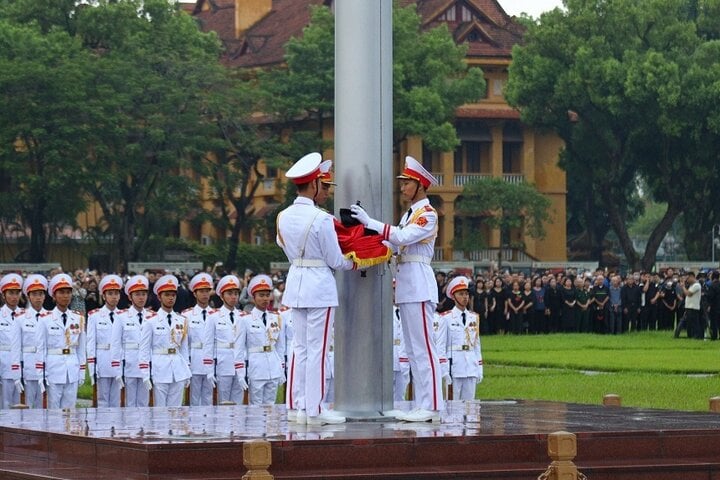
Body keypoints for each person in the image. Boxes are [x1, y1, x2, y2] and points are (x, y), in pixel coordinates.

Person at [351, 155, 443, 422]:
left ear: (420, 186)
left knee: (424, 348)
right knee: (414, 349)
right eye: (402, 183)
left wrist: (371, 222)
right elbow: (391, 244)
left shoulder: (427, 214)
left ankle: (433, 406)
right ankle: (423, 403)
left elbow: (402, 237)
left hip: (419, 284)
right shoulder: (408, 214)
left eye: (407, 183)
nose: (402, 187)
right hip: (407, 285)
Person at [278, 152, 355, 425]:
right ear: (313, 185)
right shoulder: (321, 219)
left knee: (299, 348)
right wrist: (356, 262)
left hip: (296, 281)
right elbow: (335, 260)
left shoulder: (282, 216)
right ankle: (315, 409)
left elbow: (282, 245)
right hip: (319, 285)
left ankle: (297, 406)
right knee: (318, 350)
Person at [138, 275, 191, 407]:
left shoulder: (182, 320)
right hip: (159, 367)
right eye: (167, 295)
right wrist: (145, 374)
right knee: (160, 410)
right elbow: (144, 348)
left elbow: (184, 348)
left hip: (177, 369)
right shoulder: (150, 321)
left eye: (173, 294)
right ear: (159, 297)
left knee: (176, 410)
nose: (171, 298)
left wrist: (187, 371)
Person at [37, 273, 86, 409]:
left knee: (69, 409)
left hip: (72, 367)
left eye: (68, 292)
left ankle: (67, 431)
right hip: (53, 368)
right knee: (53, 409)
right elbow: (41, 348)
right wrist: (41, 374)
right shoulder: (45, 319)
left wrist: (81, 370)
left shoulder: (78, 318)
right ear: (54, 296)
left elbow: (81, 348)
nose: (65, 296)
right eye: (61, 292)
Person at [111, 275, 156, 407]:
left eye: (143, 294)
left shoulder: (153, 316)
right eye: (137, 294)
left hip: (146, 363)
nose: (141, 298)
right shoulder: (121, 317)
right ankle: (130, 428)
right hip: (129, 363)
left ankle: (143, 427)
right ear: (130, 297)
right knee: (129, 402)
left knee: (144, 402)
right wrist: (117, 369)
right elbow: (115, 344)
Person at [203, 275, 248, 405]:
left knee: (238, 401)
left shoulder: (244, 316)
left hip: (240, 362)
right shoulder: (214, 317)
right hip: (223, 363)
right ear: (222, 296)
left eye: (236, 293)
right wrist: (209, 369)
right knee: (223, 401)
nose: (233, 297)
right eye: (229, 293)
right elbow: (208, 344)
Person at [242, 274, 285, 405]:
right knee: (256, 407)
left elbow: (280, 347)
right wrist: (240, 372)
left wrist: (281, 368)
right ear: (253, 298)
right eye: (261, 295)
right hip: (256, 367)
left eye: (267, 295)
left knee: (270, 405)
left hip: (272, 366)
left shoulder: (276, 318)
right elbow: (240, 348)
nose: (265, 299)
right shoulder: (245, 320)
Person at [87, 274, 124, 407]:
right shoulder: (94, 316)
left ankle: (115, 426)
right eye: (110, 293)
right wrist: (92, 367)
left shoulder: (124, 316)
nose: (114, 297)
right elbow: (90, 342)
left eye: (116, 293)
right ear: (104, 296)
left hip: (118, 360)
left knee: (117, 399)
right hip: (103, 359)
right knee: (102, 399)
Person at [443, 277, 483, 401]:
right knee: (452, 406)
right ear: (454, 297)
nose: (465, 297)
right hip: (454, 366)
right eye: (461, 294)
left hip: (470, 366)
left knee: (470, 406)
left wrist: (479, 367)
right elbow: (441, 346)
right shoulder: (446, 318)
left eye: (466, 294)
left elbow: (476, 345)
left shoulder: (473, 317)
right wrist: (444, 369)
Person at [184, 272, 215, 406]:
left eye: (207, 291)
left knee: (208, 397)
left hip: (211, 359)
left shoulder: (216, 314)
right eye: (201, 291)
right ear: (195, 294)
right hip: (194, 358)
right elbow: (185, 342)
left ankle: (208, 425)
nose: (205, 295)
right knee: (194, 398)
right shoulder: (187, 315)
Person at [19, 274, 49, 409]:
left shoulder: (51, 316)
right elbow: (17, 346)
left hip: (47, 366)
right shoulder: (20, 318)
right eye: (34, 294)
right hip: (28, 365)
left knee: (44, 406)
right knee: (28, 405)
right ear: (28, 296)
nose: (38, 298)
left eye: (41, 294)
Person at [0, 273, 24, 408]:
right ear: (4, 295)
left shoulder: (26, 315)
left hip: (23, 365)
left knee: (22, 405)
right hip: (4, 364)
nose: (14, 297)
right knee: (5, 404)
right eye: (11, 293)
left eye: (17, 293)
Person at [392, 305, 410, 402]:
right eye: (393, 291)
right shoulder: (383, 311)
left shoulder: (408, 312)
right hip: (389, 356)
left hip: (404, 357)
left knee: (401, 395)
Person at [677, 271, 702, 340]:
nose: (687, 280)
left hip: (694, 307)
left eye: (688, 278)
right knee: (689, 324)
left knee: (695, 323)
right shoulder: (691, 285)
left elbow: (688, 294)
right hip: (689, 307)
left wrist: (683, 287)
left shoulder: (697, 285)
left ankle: (696, 336)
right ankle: (690, 336)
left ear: (692, 277)